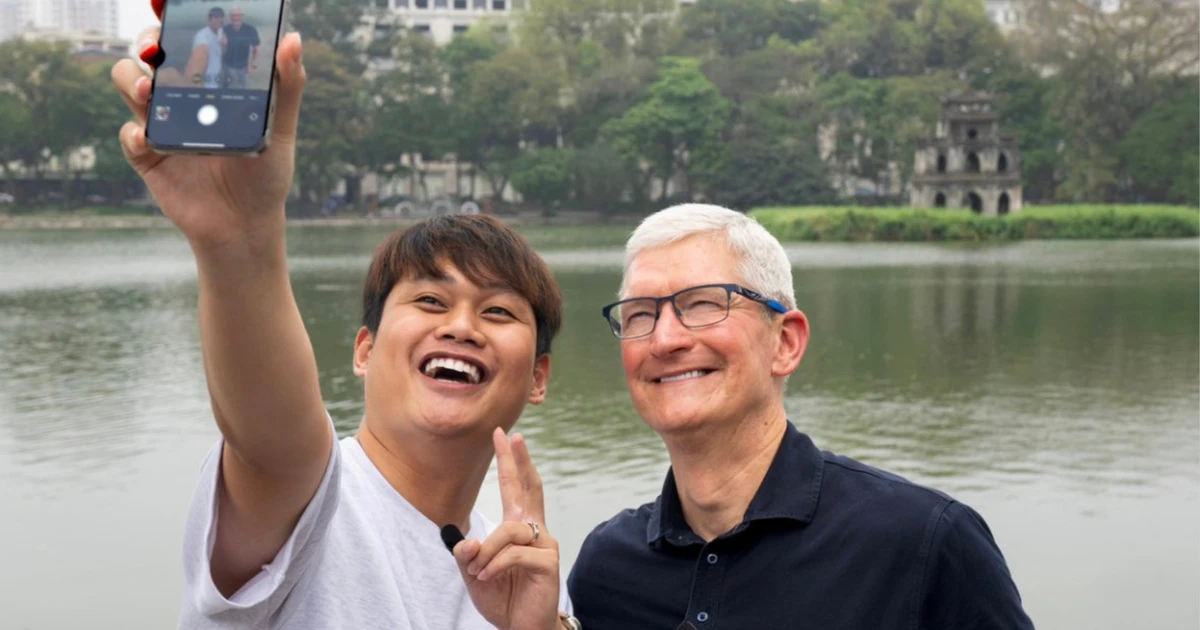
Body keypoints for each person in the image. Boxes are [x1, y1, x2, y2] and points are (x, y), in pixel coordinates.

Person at [117, 12, 578, 629]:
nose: (462, 327)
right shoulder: (310, 497)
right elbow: (270, 442)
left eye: (497, 312)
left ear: (539, 376)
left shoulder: (525, 571)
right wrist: (238, 240)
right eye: (430, 302)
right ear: (364, 349)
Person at [568, 204, 1035, 629]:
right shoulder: (608, 569)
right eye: (640, 315)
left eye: (704, 304)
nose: (664, 340)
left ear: (786, 342)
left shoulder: (921, 543)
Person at [221, 7, 260, 89]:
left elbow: (256, 48)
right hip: (227, 65)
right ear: (230, 17)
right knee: (227, 88)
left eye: (238, 15)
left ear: (242, 16)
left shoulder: (250, 29)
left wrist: (253, 65)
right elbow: (220, 51)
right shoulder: (224, 30)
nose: (235, 18)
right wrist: (223, 45)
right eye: (233, 16)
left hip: (243, 66)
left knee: (244, 90)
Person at [191, 7, 225, 88]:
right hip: (205, 79)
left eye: (221, 18)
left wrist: (224, 45)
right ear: (209, 19)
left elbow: (220, 53)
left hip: (216, 74)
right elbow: (197, 62)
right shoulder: (201, 36)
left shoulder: (221, 31)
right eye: (215, 18)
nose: (218, 21)